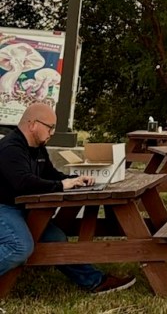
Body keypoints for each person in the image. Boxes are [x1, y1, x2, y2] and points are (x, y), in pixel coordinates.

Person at [0, 103, 135, 294]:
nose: (52, 132)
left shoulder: (38, 148)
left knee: (57, 239)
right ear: (32, 124)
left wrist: (75, 180)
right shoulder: (10, 148)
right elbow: (23, 183)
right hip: (4, 207)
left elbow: (50, 175)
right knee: (20, 246)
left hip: (22, 208)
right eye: (50, 127)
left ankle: (94, 282)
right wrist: (62, 185)